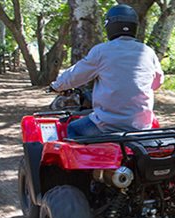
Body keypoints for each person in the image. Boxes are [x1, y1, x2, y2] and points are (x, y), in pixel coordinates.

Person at [50, 4, 164, 138]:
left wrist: (56, 86)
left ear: (109, 26)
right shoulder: (147, 51)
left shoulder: (101, 51)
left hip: (107, 125)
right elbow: (158, 82)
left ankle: (85, 158)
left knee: (73, 128)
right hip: (141, 125)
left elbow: (75, 75)